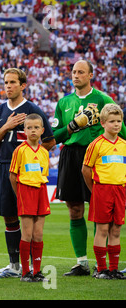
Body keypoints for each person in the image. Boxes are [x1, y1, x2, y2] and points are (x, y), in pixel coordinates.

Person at [51, 60, 126, 276]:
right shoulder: (63, 102)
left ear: (90, 75)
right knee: (75, 210)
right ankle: (82, 263)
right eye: (74, 72)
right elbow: (53, 137)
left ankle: (100, 264)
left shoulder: (103, 99)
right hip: (70, 155)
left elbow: (122, 131)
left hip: (97, 156)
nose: (76, 75)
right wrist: (74, 125)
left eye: (81, 72)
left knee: (99, 211)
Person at [0, 68, 55, 279]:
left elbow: (50, 141)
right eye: (6, 82)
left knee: (31, 220)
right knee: (9, 216)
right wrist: (6, 127)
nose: (8, 86)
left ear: (23, 85)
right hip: (4, 165)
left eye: (13, 82)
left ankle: (31, 268)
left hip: (27, 173)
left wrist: (32, 156)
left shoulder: (33, 110)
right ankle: (14, 265)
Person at [81, 104, 126, 280]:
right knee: (102, 229)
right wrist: (95, 190)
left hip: (120, 190)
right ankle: (101, 269)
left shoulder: (124, 145)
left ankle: (114, 269)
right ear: (103, 123)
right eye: (112, 121)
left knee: (116, 230)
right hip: (102, 189)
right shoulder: (96, 144)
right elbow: (86, 170)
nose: (116, 125)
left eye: (119, 121)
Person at [9, 113, 51, 282]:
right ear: (24, 130)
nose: (33, 130)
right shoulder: (20, 150)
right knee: (27, 234)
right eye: (29, 127)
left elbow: (44, 174)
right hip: (26, 192)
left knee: (38, 234)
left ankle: (37, 271)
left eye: (36, 127)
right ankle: (25, 272)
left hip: (41, 191)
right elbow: (13, 176)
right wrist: (19, 194)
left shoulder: (44, 152)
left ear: (42, 130)